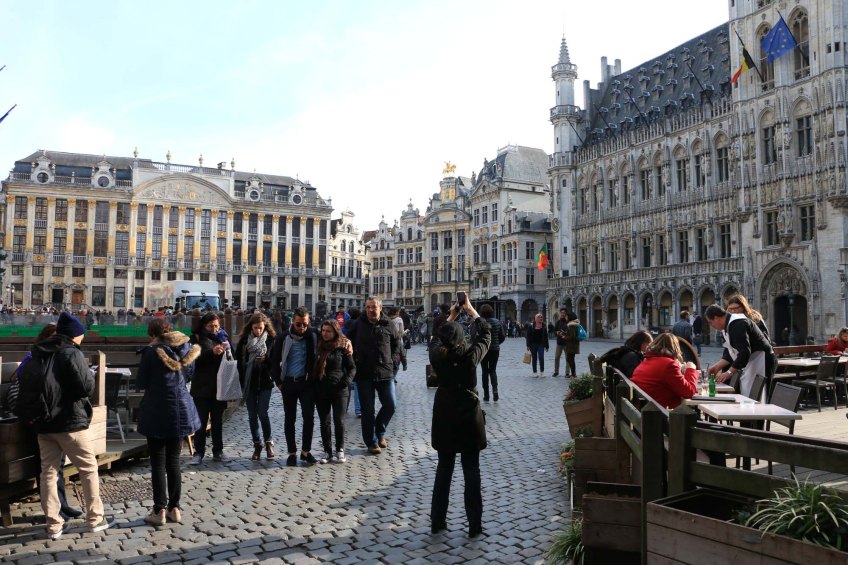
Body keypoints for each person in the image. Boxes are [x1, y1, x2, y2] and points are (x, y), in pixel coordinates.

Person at [18, 312, 111, 538]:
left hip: (43, 423)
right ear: (74, 335)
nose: (82, 338)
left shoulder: (38, 352)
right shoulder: (71, 353)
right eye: (81, 335)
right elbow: (86, 387)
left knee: (48, 473)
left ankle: (54, 524)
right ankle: (95, 518)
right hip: (69, 422)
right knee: (88, 468)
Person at [8, 323, 83, 522]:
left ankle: (62, 506)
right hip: (37, 418)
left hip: (47, 416)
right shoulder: (36, 358)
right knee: (47, 467)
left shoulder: (49, 356)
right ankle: (55, 510)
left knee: (55, 465)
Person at [428, 299, 490, 538]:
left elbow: (436, 335)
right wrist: (472, 311)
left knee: (444, 469)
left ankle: (437, 521)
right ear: (462, 338)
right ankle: (474, 525)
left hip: (444, 413)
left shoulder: (437, 355)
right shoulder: (471, 356)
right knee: (471, 470)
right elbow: (486, 333)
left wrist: (452, 315)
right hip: (468, 414)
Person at [137, 318, 201, 526]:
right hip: (180, 409)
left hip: (157, 408)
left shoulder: (151, 352)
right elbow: (190, 375)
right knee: (173, 461)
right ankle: (175, 508)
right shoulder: (186, 348)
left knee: (157, 461)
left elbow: (141, 382)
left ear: (153, 335)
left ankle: (159, 509)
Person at [348, 297, 400, 455]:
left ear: (380, 307)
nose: (371, 310)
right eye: (368, 307)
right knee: (367, 410)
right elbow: (347, 340)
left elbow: (397, 344)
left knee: (391, 404)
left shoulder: (388, 324)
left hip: (385, 372)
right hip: (364, 373)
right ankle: (371, 442)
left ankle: (380, 431)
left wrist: (391, 359)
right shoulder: (358, 324)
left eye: (374, 307)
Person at [269, 307, 320, 466]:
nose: (302, 328)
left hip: (307, 383)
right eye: (299, 325)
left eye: (305, 324)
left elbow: (333, 337)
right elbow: (274, 360)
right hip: (289, 383)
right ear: (293, 322)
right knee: (290, 418)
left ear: (308, 322)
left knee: (309, 417)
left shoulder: (313, 334)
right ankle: (292, 452)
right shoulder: (284, 337)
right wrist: (278, 381)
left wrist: (346, 342)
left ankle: (306, 451)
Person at [705, 305, 777, 398]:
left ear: (716, 318)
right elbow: (732, 353)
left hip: (763, 359)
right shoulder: (728, 326)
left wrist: (729, 372)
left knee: (759, 394)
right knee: (748, 391)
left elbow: (745, 352)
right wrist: (717, 366)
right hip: (753, 359)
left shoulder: (738, 324)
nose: (712, 326)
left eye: (711, 323)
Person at [189, 312, 230, 465]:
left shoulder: (223, 338)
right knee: (201, 421)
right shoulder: (197, 338)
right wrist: (211, 352)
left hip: (219, 386)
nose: (214, 329)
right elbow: (194, 359)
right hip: (202, 387)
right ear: (204, 326)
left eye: (216, 326)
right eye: (211, 326)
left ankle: (218, 451)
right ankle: (198, 452)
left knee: (218, 421)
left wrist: (228, 351)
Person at [234, 313, 276, 461]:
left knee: (262, 412)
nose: (258, 331)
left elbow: (276, 361)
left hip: (265, 381)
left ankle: (269, 442)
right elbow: (237, 360)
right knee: (252, 415)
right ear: (251, 327)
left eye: (261, 328)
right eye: (256, 328)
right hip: (249, 382)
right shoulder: (245, 341)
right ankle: (257, 444)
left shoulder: (270, 340)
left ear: (265, 327)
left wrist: (266, 360)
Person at [313, 320, 356, 464]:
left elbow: (352, 368)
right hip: (321, 390)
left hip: (339, 390)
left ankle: (340, 449)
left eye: (328, 331)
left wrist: (345, 382)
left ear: (335, 332)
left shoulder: (342, 346)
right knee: (325, 422)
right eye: (323, 330)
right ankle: (327, 451)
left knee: (339, 421)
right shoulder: (317, 345)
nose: (325, 334)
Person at [631, 333, 698, 409]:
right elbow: (688, 392)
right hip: (661, 414)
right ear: (675, 348)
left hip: (647, 410)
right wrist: (691, 369)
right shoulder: (669, 365)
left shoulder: (646, 361)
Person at [475, 304, 505, 402]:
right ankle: (495, 391)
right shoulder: (497, 322)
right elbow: (502, 336)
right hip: (495, 350)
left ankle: (486, 394)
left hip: (484, 349)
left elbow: (474, 336)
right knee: (493, 370)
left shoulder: (480, 322)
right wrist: (497, 343)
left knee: (484, 371)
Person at [552, 308, 569, 378]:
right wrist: (557, 332)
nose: (562, 314)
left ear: (565, 314)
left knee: (568, 358)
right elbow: (555, 331)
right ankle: (556, 371)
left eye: (563, 312)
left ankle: (567, 373)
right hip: (559, 343)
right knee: (556, 357)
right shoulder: (558, 322)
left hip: (567, 343)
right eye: (561, 312)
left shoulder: (569, 322)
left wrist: (565, 334)